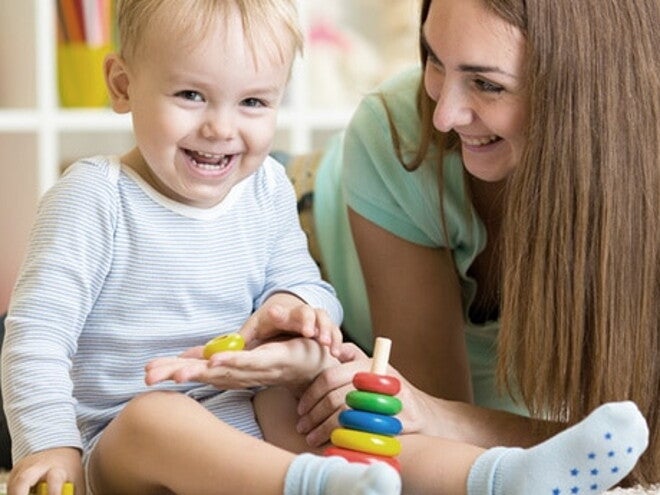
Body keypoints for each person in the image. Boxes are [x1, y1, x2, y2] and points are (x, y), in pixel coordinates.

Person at [0, 1, 402, 494]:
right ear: (123, 86)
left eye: (253, 102)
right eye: (192, 95)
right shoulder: (94, 196)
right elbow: (37, 333)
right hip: (122, 448)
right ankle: (313, 485)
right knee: (158, 414)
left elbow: (306, 283)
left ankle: (484, 475)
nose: (221, 128)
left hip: (244, 424)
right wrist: (49, 444)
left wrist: (296, 308)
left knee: (309, 398)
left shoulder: (268, 187)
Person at [300, 0, 659, 489]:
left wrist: (452, 418)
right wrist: (451, 419)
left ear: (589, 89)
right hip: (299, 242)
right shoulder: (402, 132)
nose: (444, 115)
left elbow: (439, 417)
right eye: (432, 57)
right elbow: (426, 438)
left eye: (487, 84)